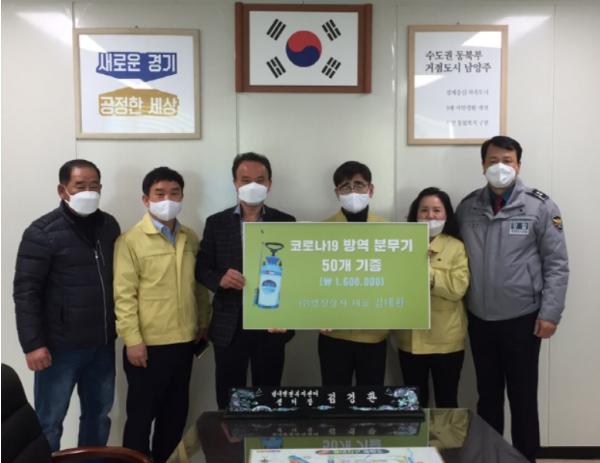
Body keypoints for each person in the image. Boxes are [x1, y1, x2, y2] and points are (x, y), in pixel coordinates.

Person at [456, 135, 569, 463]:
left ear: (519, 165)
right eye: (493, 161)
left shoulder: (540, 207)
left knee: (522, 398)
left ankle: (525, 458)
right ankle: (489, 457)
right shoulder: (467, 207)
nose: (500, 167)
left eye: (507, 161)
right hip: (480, 319)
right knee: (487, 396)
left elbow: (557, 264)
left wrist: (551, 313)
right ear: (483, 165)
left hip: (523, 318)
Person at [13, 159, 120, 451]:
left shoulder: (109, 226)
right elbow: (26, 292)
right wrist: (33, 344)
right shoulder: (41, 232)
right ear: (63, 190)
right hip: (59, 348)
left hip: (102, 344)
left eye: (94, 186)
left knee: (99, 417)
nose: (88, 192)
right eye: (80, 186)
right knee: (49, 421)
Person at [114, 167, 211, 463]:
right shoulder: (130, 241)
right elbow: (124, 295)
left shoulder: (189, 238)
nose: (167, 199)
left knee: (174, 417)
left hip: (183, 342)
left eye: (174, 193)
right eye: (159, 193)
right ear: (146, 199)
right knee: (140, 420)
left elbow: (198, 287)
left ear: (182, 197)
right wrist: (132, 340)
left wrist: (203, 324)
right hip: (147, 346)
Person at [196, 152, 295, 409]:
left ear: (269, 184)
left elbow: (296, 274)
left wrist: (289, 316)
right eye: (245, 179)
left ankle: (266, 437)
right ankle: (229, 437)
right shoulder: (216, 223)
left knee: (269, 398)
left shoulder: (286, 222)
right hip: (229, 324)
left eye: (260, 180)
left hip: (271, 324)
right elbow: (201, 268)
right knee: (229, 401)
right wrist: (220, 278)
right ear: (235, 183)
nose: (253, 186)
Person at [394, 187, 469, 407]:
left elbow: (458, 288)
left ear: (446, 214)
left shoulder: (456, 246)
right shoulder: (400, 245)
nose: (430, 216)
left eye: (437, 210)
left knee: (447, 402)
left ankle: (446, 434)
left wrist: (427, 273)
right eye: (424, 210)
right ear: (415, 214)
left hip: (446, 340)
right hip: (409, 338)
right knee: (414, 405)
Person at [319, 161, 388, 386]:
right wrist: (315, 313)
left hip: (373, 333)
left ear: (371, 189)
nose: (353, 191)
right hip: (334, 333)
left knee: (370, 398)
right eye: (345, 187)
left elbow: (393, 279)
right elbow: (312, 281)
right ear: (337, 193)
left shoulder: (389, 231)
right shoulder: (320, 231)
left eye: (359, 185)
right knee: (334, 398)